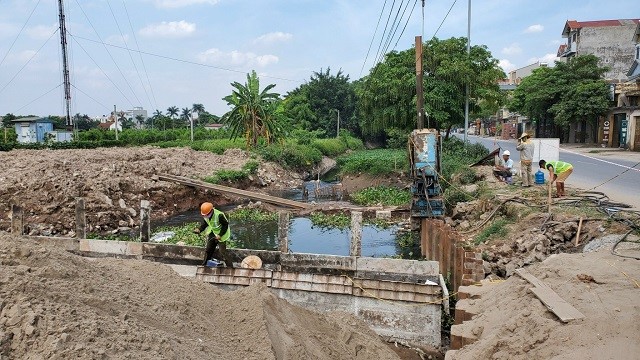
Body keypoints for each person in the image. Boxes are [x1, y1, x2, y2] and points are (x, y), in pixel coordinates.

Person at [194, 202, 233, 267]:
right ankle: (205, 265)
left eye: (207, 214)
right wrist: (199, 229)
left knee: (222, 251)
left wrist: (220, 235)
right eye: (204, 214)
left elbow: (225, 225)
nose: (205, 216)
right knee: (208, 249)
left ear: (212, 210)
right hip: (213, 232)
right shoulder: (206, 215)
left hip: (222, 233)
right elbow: (205, 223)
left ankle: (230, 267)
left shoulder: (219, 215)